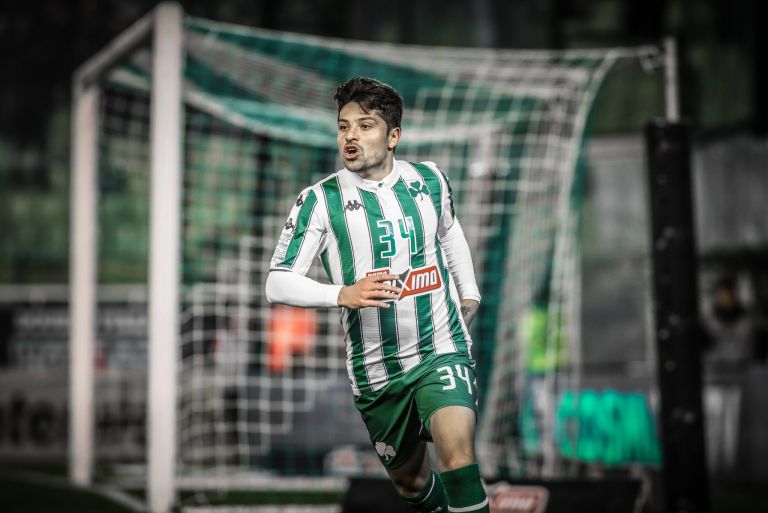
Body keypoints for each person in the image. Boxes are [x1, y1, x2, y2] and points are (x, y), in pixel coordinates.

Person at [266, 76, 487, 513]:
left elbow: (449, 231)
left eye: (365, 126)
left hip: (440, 347)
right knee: (410, 483)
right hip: (376, 372)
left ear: (392, 137)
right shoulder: (319, 201)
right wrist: (341, 293)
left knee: (459, 456)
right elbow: (277, 282)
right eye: (343, 126)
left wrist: (470, 291)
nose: (350, 136)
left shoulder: (430, 180)